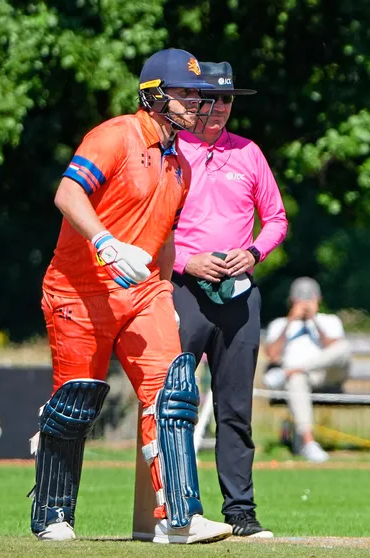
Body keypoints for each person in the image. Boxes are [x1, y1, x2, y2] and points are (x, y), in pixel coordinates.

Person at [32, 48, 232, 543]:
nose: (196, 103)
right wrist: (104, 242)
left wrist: (163, 290)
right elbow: (67, 194)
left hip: (143, 294)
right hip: (79, 291)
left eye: (197, 94)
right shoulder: (115, 136)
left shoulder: (180, 165)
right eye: (185, 93)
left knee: (173, 393)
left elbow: (164, 237)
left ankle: (178, 517)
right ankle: (52, 514)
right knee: (75, 403)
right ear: (154, 95)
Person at [171, 61, 287, 537]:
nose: (218, 108)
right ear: (191, 101)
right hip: (183, 290)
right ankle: (178, 508)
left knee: (235, 409)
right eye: (209, 98)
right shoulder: (172, 150)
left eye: (226, 99)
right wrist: (186, 261)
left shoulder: (249, 153)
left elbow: (276, 219)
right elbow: (149, 225)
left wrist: (253, 252)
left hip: (238, 294)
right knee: (175, 402)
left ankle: (241, 512)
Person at [262, 277, 352, 463]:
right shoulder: (279, 324)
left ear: (318, 300)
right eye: (300, 299)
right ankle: (309, 443)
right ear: (291, 301)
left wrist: (314, 321)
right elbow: (272, 355)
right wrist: (290, 321)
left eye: (309, 299)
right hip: (300, 378)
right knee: (296, 379)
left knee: (344, 347)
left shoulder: (329, 321)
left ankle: (288, 372)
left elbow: (335, 350)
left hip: (328, 374)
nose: (305, 304)